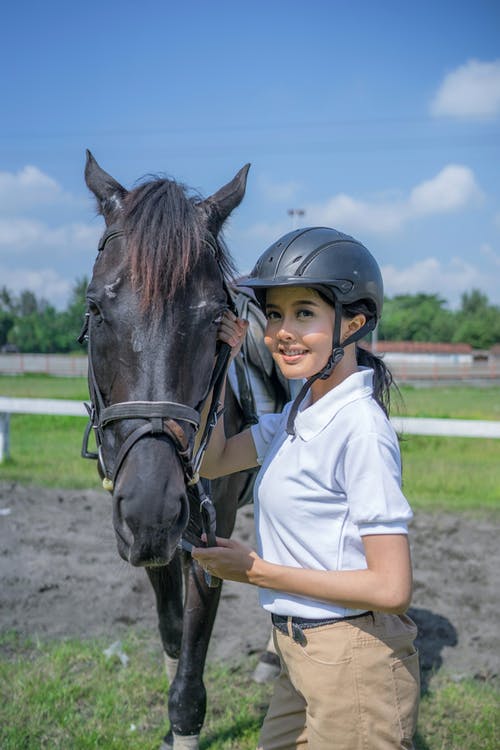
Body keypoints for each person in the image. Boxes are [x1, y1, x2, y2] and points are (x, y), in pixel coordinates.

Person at [192, 227, 420, 750]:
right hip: (298, 650)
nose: (282, 333)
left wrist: (255, 571)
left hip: (353, 657)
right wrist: (220, 363)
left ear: (354, 323)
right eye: (273, 315)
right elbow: (214, 459)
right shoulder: (299, 412)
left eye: (303, 313)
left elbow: (392, 588)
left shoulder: (359, 428)